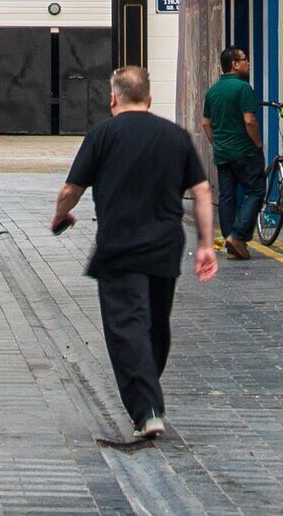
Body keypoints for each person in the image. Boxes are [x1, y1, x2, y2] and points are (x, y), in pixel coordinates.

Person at [53, 64, 218, 446]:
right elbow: (202, 191)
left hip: (119, 247)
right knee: (155, 325)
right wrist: (207, 244)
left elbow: (70, 189)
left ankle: (147, 411)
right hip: (165, 247)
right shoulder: (175, 136)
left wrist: (60, 216)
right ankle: (149, 394)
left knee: (127, 327)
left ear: (113, 98)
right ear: (149, 98)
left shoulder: (102, 135)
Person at [200, 47, 266, 257]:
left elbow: (205, 124)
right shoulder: (243, 88)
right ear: (234, 64)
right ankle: (237, 236)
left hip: (222, 153)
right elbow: (249, 120)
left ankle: (231, 243)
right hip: (244, 150)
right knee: (256, 191)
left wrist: (216, 144)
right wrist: (257, 143)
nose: (247, 62)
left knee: (227, 196)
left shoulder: (213, 91)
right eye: (243, 59)